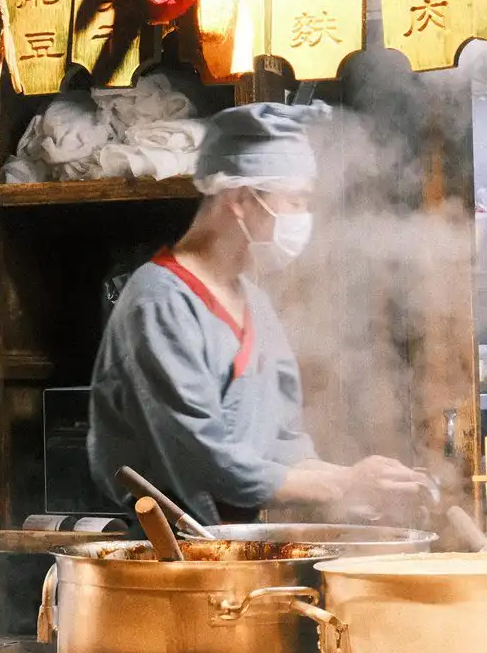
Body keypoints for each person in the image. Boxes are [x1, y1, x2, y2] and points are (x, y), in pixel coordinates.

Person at [88, 102, 427, 526]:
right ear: (241, 199)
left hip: (230, 547)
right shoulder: (158, 302)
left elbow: (283, 446)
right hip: (154, 554)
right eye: (295, 202)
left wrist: (363, 483)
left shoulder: (256, 305)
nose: (302, 219)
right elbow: (202, 458)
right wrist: (342, 484)